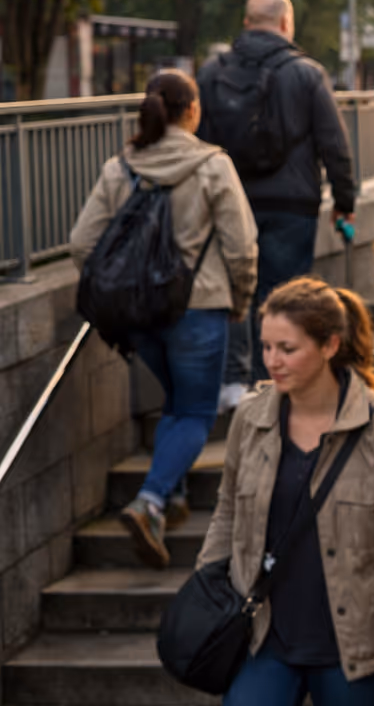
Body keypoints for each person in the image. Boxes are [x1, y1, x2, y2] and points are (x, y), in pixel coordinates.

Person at [200, 277, 374, 706]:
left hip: (356, 649)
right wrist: (206, 602)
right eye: (266, 346)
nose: (272, 360)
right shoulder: (251, 419)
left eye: (287, 348)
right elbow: (226, 513)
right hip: (261, 638)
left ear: (330, 345)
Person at [69, 69, 258, 567]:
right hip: (200, 307)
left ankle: (171, 497)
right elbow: (240, 247)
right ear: (193, 109)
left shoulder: (121, 167)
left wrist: (120, 287)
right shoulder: (212, 165)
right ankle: (150, 501)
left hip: (140, 316)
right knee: (197, 411)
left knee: (175, 401)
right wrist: (239, 298)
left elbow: (81, 245)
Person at [198, 0, 358, 410]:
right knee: (284, 296)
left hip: (229, 203)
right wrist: (345, 198)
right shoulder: (306, 74)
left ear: (247, 23)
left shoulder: (212, 72)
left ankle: (234, 383)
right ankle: (277, 387)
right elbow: (333, 143)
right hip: (292, 204)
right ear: (285, 24)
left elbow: (196, 141)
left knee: (236, 290)